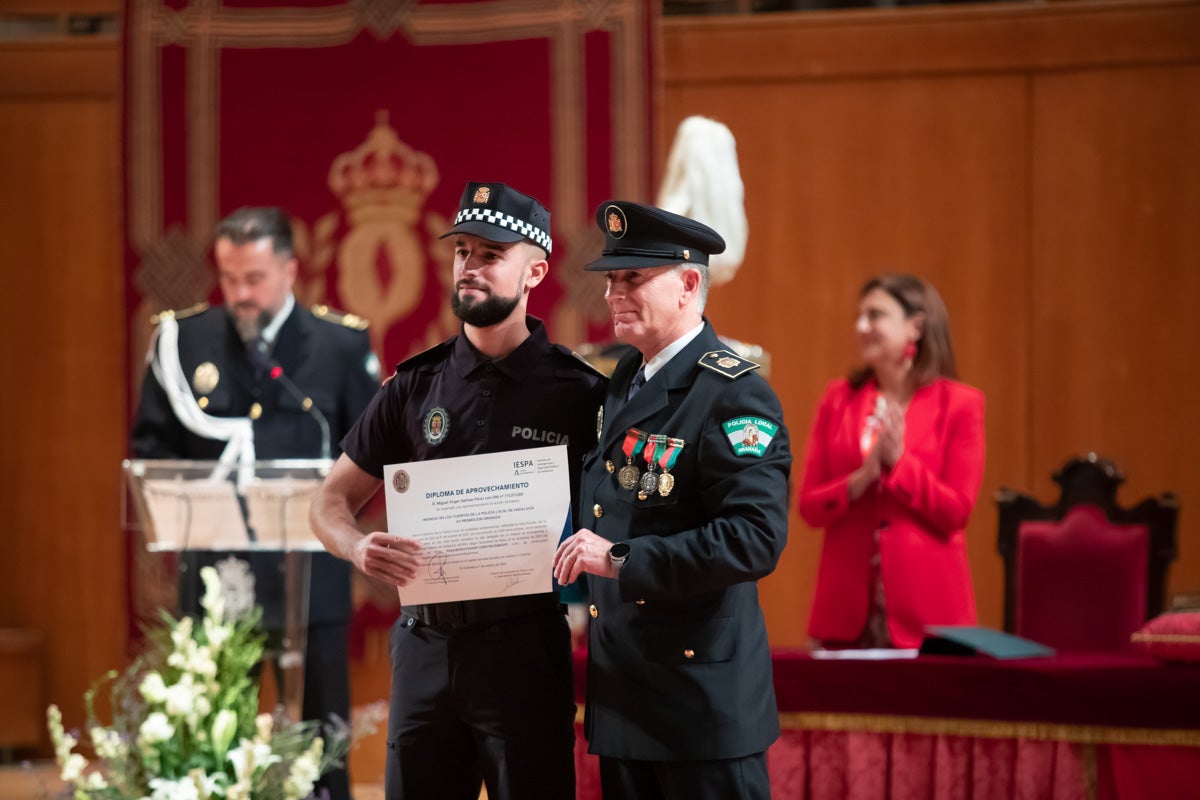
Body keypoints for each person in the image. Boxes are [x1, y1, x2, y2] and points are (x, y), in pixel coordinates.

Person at [308, 181, 606, 800]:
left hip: (525, 646)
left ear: (535, 273)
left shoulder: (580, 394)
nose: (470, 266)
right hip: (425, 647)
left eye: (491, 255)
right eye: (462, 251)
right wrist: (357, 547)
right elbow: (327, 502)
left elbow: (614, 516)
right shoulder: (413, 386)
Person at [131, 206, 380, 800]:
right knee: (213, 751)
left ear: (290, 270)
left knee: (322, 752)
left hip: (312, 580)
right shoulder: (184, 340)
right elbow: (151, 450)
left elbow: (372, 453)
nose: (239, 294)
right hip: (218, 581)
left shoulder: (338, 345)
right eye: (229, 278)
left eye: (254, 279)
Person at [553, 201, 792, 800]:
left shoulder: (734, 394)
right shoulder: (622, 380)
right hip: (626, 701)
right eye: (611, 279)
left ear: (688, 284)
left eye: (632, 278)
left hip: (700, 711)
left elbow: (754, 539)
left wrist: (618, 559)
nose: (612, 293)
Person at [797, 273, 985, 650]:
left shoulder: (961, 405)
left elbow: (956, 512)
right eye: (860, 315)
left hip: (929, 615)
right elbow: (809, 507)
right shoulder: (838, 399)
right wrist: (860, 480)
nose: (861, 326)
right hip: (846, 614)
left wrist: (900, 465)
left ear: (916, 327)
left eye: (875, 315)